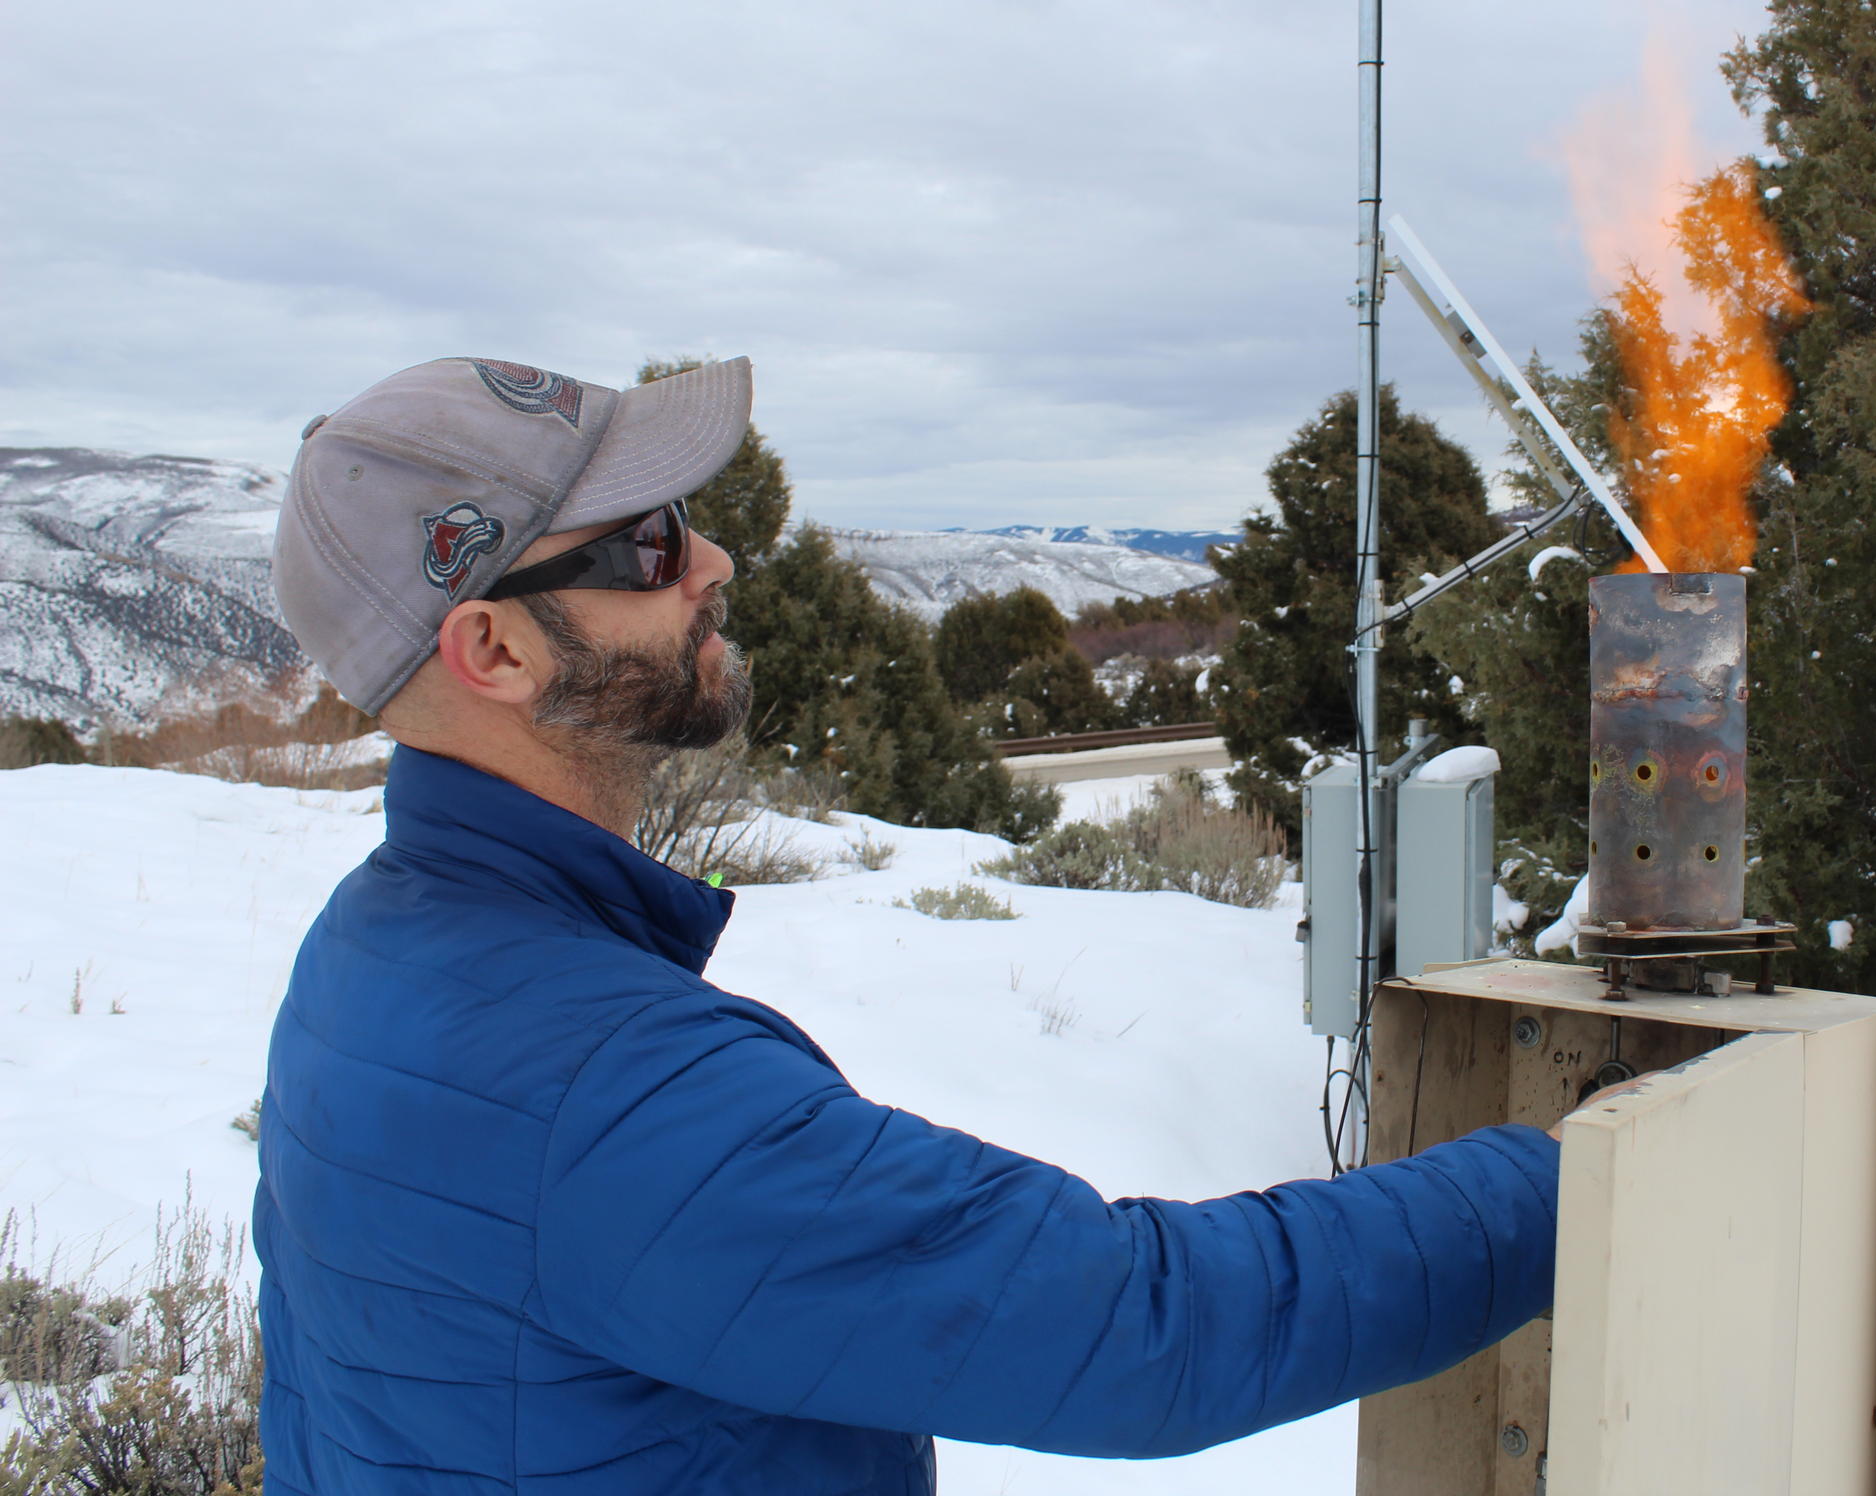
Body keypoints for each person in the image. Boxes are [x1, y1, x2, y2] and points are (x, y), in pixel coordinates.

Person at [258, 355, 1569, 1495]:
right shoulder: (607, 1088)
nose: (712, 563)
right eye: (645, 545)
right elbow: (1149, 1331)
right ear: (492, 654)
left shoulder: (372, 956)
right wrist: (1572, 1177)